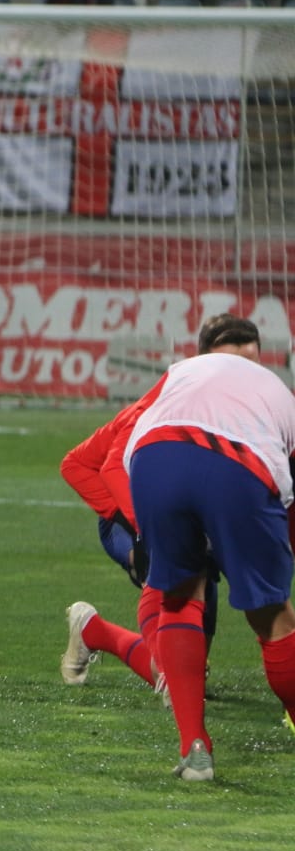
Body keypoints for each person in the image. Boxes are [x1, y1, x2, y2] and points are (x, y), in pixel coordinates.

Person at [123, 322, 295, 781]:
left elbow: (135, 432)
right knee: (273, 616)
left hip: (150, 457)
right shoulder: (279, 391)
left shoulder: (184, 370)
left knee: (180, 596)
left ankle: (194, 747)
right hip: (239, 462)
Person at [57, 315, 257, 697]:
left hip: (185, 515)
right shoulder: (163, 406)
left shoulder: (238, 405)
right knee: (178, 675)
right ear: (202, 362)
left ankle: (164, 658)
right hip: (134, 518)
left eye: (251, 365)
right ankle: (93, 630)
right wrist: (143, 529)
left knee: (191, 664)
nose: (243, 374)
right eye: (232, 363)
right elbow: (94, 465)